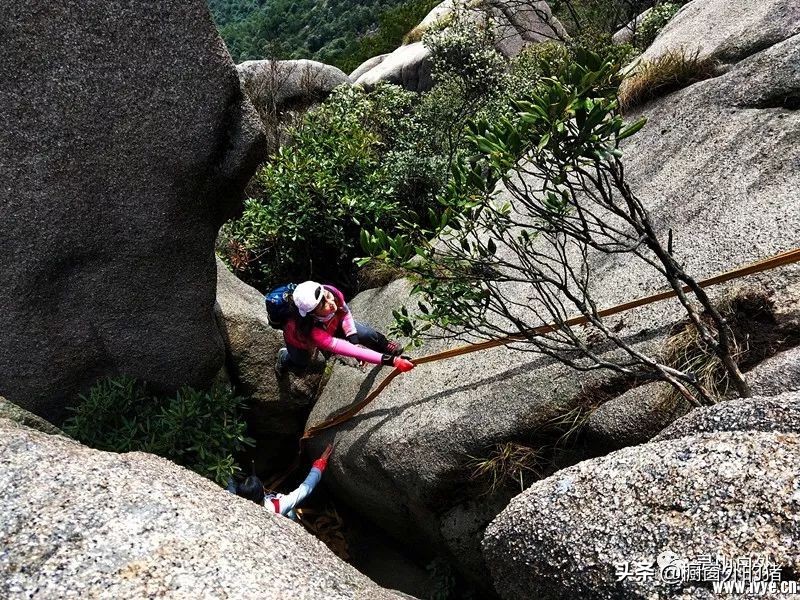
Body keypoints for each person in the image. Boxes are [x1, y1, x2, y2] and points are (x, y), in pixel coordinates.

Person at [275, 280, 415, 375]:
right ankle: (284, 356)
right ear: (311, 313)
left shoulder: (331, 291)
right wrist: (393, 361)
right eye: (323, 304)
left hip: (333, 325)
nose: (331, 302)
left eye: (327, 296)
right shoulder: (311, 331)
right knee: (300, 363)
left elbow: (345, 313)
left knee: (367, 334)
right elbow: (349, 350)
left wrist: (354, 340)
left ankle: (384, 345)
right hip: (301, 342)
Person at [228, 444, 333, 520]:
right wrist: (320, 463)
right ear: (262, 491)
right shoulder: (279, 506)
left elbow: (230, 483)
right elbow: (305, 488)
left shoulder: (233, 495)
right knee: (291, 514)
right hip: (283, 515)